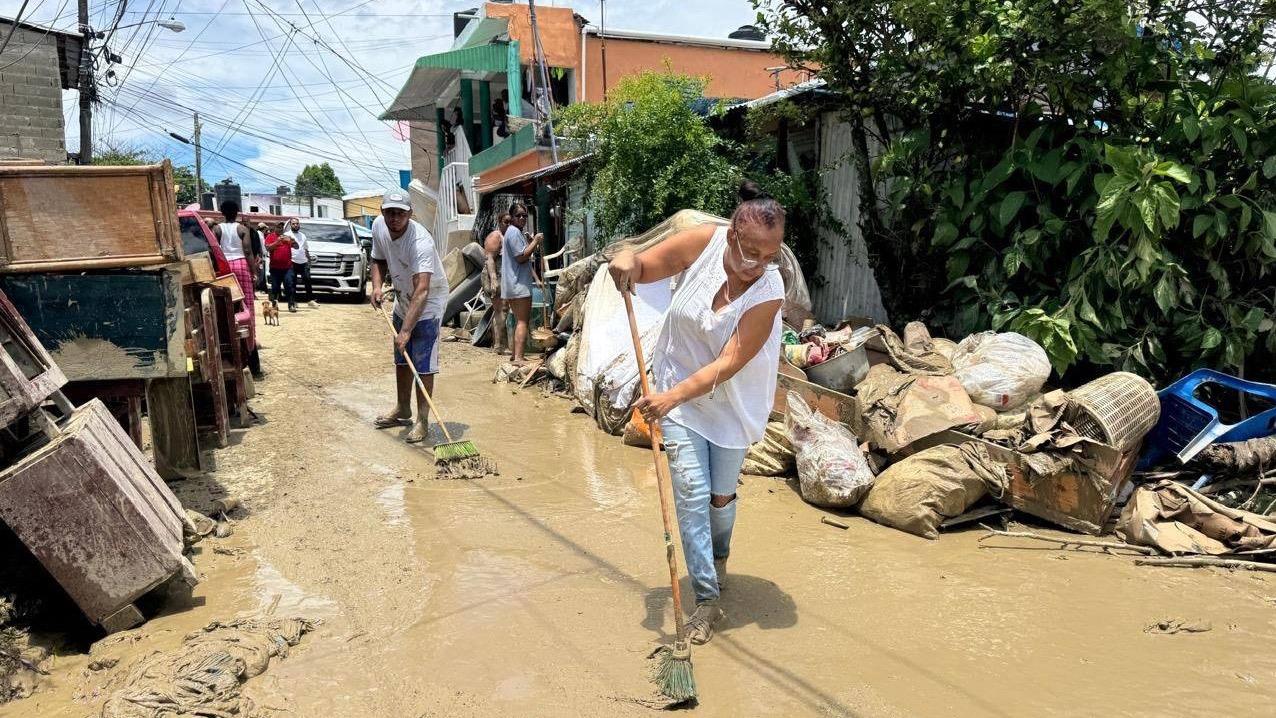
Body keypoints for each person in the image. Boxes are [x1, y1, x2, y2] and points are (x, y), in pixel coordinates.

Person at [608, 182, 786, 645]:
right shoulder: (704, 241)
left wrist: (670, 399)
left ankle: (717, 556)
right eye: (751, 253)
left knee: (720, 498)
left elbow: (729, 363)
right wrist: (628, 259)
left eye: (771, 256)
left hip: (732, 400)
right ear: (731, 237)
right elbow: (644, 265)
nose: (759, 265)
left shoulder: (769, 290)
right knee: (691, 490)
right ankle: (706, 598)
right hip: (677, 383)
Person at [369, 190, 451, 444]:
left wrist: (406, 331)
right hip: (405, 296)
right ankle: (403, 409)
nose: (394, 218)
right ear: (382, 212)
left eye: (400, 214)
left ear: (409, 215)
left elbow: (423, 290)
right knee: (402, 358)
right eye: (390, 212)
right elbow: (377, 259)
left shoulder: (421, 243)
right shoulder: (378, 227)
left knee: (422, 360)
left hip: (428, 300)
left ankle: (422, 420)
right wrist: (376, 286)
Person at [500, 203, 542, 364]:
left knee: (518, 320)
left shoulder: (512, 232)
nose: (522, 218)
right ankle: (518, 357)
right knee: (523, 321)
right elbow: (521, 256)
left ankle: (515, 354)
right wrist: (536, 240)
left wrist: (531, 242)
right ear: (512, 217)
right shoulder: (514, 232)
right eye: (519, 215)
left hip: (512, 284)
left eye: (524, 215)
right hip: (518, 284)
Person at [215, 201, 259, 345]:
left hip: (225, 266)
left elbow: (214, 250)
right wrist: (254, 272)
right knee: (246, 301)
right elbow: (247, 251)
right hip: (241, 264)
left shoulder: (217, 229)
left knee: (227, 301)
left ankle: (227, 337)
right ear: (237, 212)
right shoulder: (242, 229)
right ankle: (250, 339)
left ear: (222, 212)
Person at [482, 213, 511, 355]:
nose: (509, 224)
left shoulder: (509, 236)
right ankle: (500, 345)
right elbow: (489, 259)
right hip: (494, 275)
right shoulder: (496, 236)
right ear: (500, 222)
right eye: (506, 222)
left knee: (502, 309)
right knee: (501, 309)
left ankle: (499, 344)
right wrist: (494, 279)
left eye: (511, 222)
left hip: (503, 275)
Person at [284, 218, 315, 306]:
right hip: (292, 261)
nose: (296, 225)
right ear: (290, 225)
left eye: (297, 223)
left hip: (303, 262)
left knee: (307, 280)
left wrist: (309, 260)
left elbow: (306, 249)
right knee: (292, 282)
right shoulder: (286, 235)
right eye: (294, 224)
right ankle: (293, 301)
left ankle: (310, 300)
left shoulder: (303, 235)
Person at [266, 226, 295, 309]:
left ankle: (291, 304)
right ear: (275, 228)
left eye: (281, 228)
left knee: (289, 285)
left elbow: (296, 246)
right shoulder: (270, 236)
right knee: (275, 287)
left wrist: (292, 240)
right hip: (275, 267)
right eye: (278, 227)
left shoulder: (287, 237)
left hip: (287, 267)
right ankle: (275, 304)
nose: (280, 229)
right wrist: (277, 242)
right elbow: (268, 248)